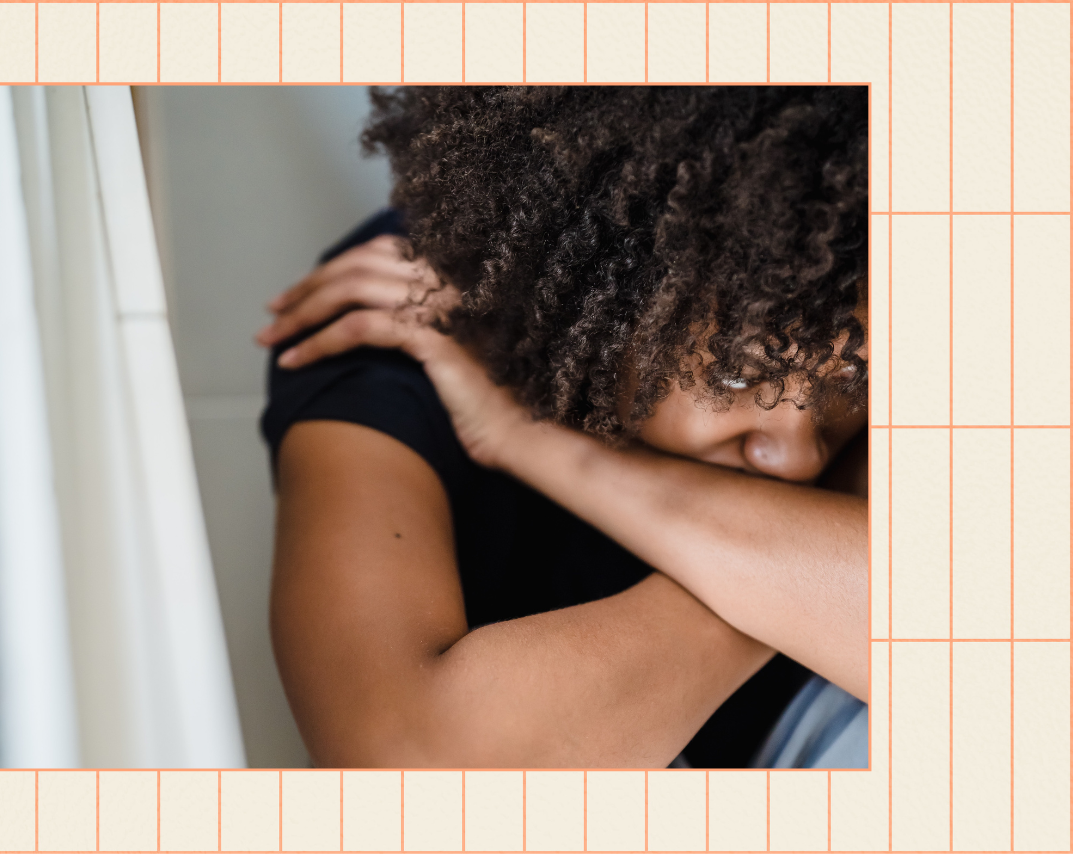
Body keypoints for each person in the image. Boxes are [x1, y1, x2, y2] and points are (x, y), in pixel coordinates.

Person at [256, 86, 869, 768]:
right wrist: (799, 580)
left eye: (850, 387)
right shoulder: (396, 316)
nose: (791, 460)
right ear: (618, 286)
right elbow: (417, 768)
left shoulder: (863, 277)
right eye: (736, 376)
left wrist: (544, 447)